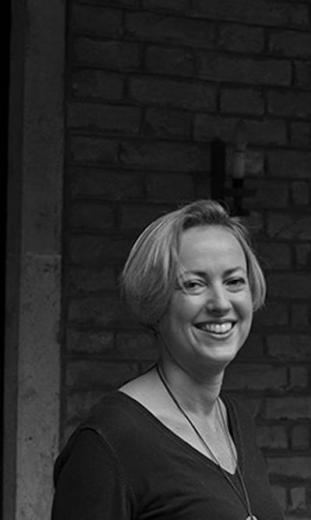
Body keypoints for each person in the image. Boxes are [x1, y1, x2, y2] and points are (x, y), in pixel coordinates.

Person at [52, 200, 284, 520]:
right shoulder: (110, 441)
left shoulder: (236, 420)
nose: (220, 303)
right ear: (155, 301)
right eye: (194, 284)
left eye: (234, 281)